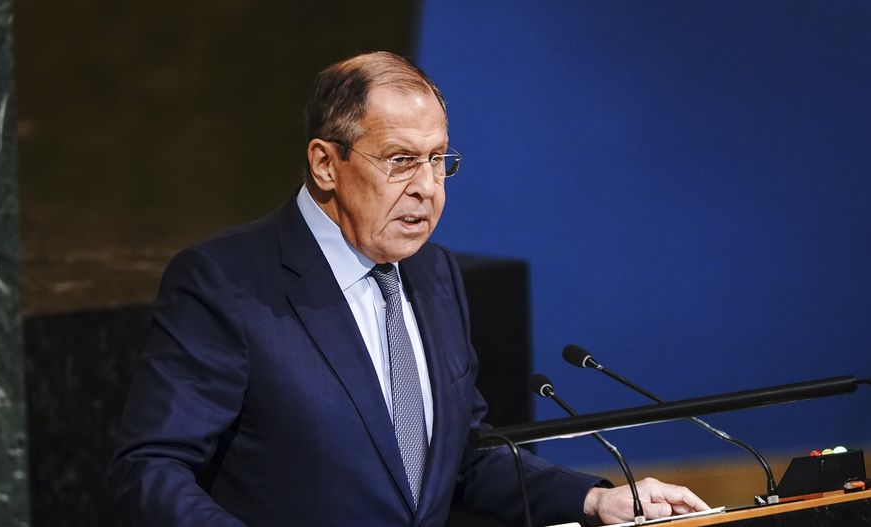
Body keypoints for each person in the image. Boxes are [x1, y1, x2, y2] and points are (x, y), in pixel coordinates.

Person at [108, 51, 708, 526]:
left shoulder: (435, 274)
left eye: (439, 159)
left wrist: (595, 500)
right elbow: (150, 469)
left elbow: (462, 461)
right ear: (325, 164)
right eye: (400, 160)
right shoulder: (227, 282)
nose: (428, 188)